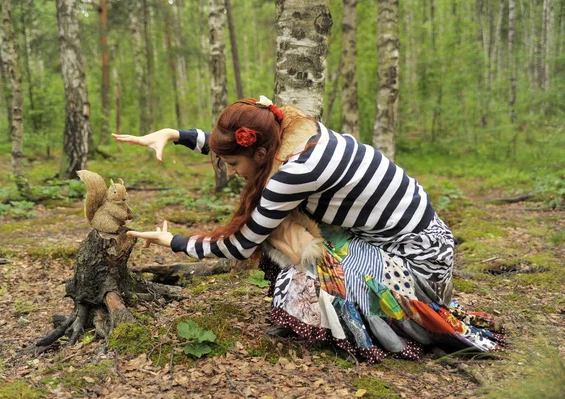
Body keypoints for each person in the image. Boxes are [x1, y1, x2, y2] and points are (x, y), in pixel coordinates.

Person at [113, 96, 503, 363]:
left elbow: (241, 243)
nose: (231, 174)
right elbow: (237, 145)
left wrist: (174, 242)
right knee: (284, 228)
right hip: (429, 242)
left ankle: (359, 325)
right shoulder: (295, 130)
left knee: (278, 233)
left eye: (233, 166)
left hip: (419, 266)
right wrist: (174, 135)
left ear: (261, 153)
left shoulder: (294, 174)